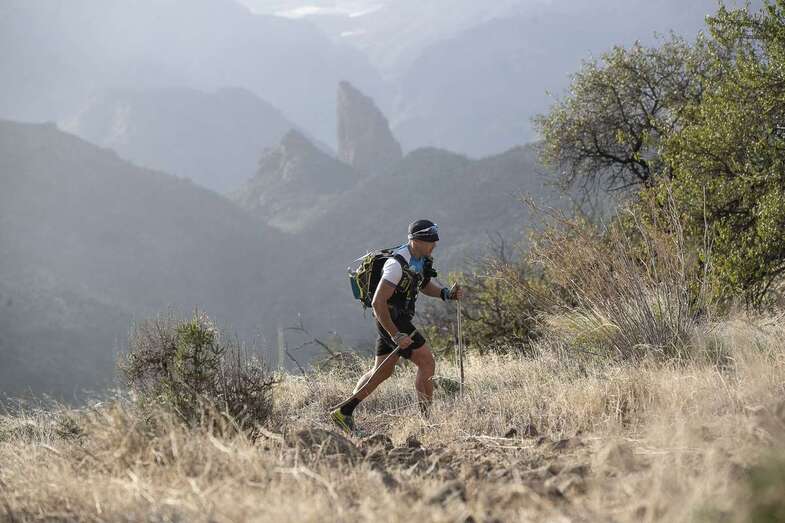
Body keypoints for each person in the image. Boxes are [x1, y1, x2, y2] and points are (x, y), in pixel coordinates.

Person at [331, 219, 463, 434]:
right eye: (430, 241)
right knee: (427, 362)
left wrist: (446, 293)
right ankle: (427, 422)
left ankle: (344, 412)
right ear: (416, 241)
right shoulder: (396, 265)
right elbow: (378, 302)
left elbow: (423, 284)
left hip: (397, 319)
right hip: (391, 319)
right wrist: (396, 334)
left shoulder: (421, 260)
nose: (435, 245)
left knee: (382, 371)